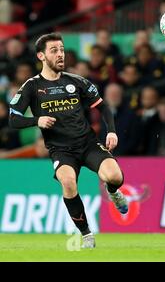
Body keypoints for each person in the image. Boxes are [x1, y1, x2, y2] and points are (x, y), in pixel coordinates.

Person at [8, 33, 129, 249]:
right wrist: (37, 120)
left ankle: (113, 192)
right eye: (54, 50)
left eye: (62, 49)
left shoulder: (76, 81)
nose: (60, 54)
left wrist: (111, 131)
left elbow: (103, 106)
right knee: (68, 181)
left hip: (88, 143)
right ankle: (86, 235)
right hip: (60, 150)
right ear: (41, 56)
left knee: (114, 176)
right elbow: (13, 118)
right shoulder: (32, 87)